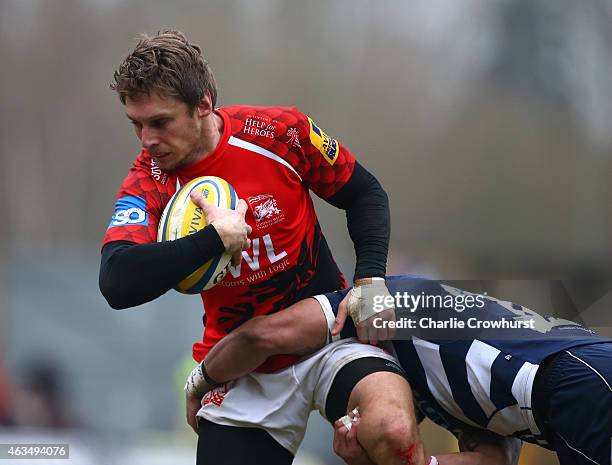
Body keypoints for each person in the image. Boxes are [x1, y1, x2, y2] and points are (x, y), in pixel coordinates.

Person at [99, 29, 420, 465]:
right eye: (136, 125)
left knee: (393, 432)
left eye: (160, 122)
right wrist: (214, 240)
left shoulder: (277, 132)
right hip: (241, 367)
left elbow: (364, 193)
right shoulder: (150, 179)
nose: (147, 140)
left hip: (327, 336)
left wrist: (370, 279)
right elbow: (117, 281)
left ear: (204, 105)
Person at [191, 275, 612, 465]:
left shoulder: (378, 305)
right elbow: (492, 459)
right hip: (581, 375)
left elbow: (261, 338)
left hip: (578, 386)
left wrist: (199, 386)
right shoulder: (441, 387)